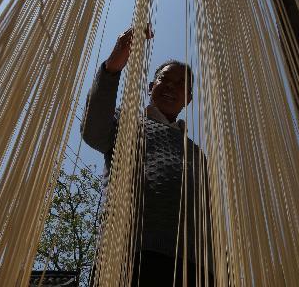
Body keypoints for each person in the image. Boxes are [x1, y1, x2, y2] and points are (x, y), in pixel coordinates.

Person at [81, 27, 212, 286]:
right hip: (132, 251)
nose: (172, 87)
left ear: (188, 98)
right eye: (166, 80)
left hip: (197, 263)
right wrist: (111, 70)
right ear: (152, 86)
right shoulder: (126, 121)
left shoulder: (196, 151)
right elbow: (93, 130)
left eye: (181, 85)